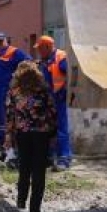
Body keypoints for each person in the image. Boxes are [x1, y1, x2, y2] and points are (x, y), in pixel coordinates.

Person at [5, 61, 57, 212]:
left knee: (24, 168)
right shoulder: (43, 91)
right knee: (39, 172)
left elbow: (10, 115)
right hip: (42, 135)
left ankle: (21, 200)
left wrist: (8, 135)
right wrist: (53, 134)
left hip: (23, 134)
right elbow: (52, 112)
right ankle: (35, 211)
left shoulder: (14, 92)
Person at [34, 35, 71, 170]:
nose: (38, 51)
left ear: (47, 47)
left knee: (61, 129)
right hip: (48, 99)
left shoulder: (60, 57)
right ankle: (49, 157)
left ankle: (64, 159)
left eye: (40, 48)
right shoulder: (45, 60)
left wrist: (64, 91)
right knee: (48, 129)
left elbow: (71, 75)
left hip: (59, 98)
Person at [0, 32, 30, 149]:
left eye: (2, 40)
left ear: (7, 40)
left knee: (5, 116)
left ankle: (7, 142)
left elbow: (28, 61)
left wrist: (16, 76)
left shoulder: (14, 52)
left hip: (7, 89)